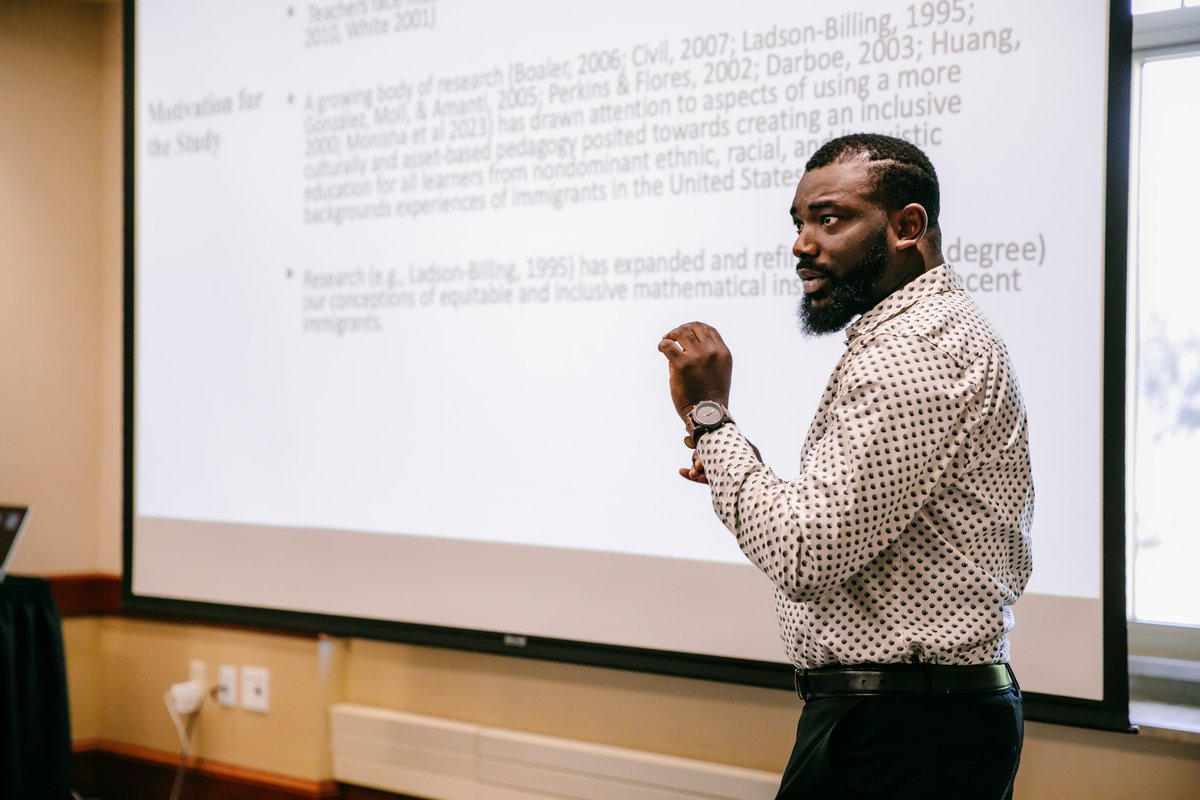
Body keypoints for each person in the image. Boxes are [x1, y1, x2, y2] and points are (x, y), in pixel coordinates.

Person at [658, 133, 1033, 800]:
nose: (802, 244)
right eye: (799, 223)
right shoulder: (923, 334)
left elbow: (806, 553)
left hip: (902, 734)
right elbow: (839, 524)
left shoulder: (915, 349)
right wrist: (731, 463)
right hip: (911, 722)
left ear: (906, 226)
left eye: (828, 219)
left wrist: (710, 418)